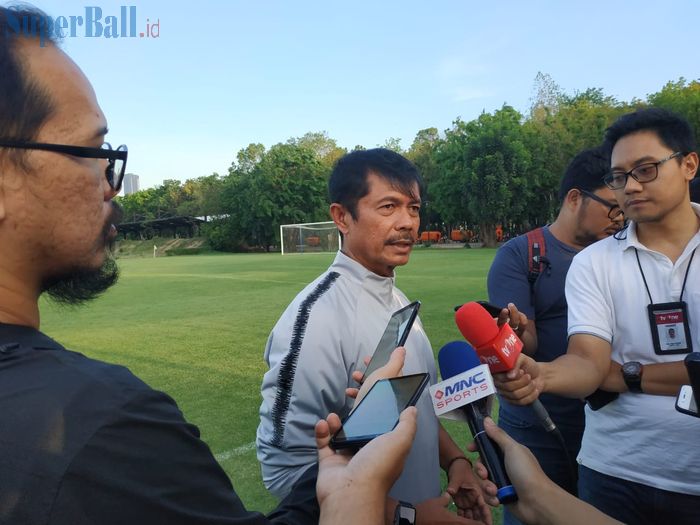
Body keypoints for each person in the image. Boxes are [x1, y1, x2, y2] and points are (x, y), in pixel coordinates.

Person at [0, 6, 416, 524]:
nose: (109, 181)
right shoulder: (96, 427)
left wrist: (347, 447)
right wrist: (362, 487)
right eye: (92, 150)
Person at [257, 148, 492, 524]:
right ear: (342, 217)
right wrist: (408, 517)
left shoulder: (398, 301)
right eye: (388, 207)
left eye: (413, 208)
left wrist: (455, 461)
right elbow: (285, 470)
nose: (407, 223)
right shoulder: (316, 318)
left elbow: (414, 409)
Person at [495, 108, 700, 524]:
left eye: (646, 169)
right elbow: (589, 361)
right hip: (613, 469)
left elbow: (608, 371)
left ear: (688, 164)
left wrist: (626, 375)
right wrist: (542, 376)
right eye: (619, 177)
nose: (631, 187)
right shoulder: (593, 263)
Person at [486, 147, 624, 525]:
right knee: (532, 514)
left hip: (609, 420)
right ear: (574, 198)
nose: (620, 218)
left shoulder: (622, 255)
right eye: (612, 206)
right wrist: (514, 332)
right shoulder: (520, 254)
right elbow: (523, 345)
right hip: (537, 419)